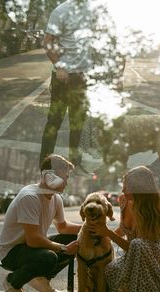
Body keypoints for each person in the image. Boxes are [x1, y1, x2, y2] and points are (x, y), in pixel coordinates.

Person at [88, 166, 160, 292]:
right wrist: (102, 236)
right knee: (111, 269)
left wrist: (108, 233)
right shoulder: (124, 201)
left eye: (126, 187)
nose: (122, 189)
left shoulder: (149, 213)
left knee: (138, 245)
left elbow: (136, 248)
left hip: (154, 257)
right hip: (134, 255)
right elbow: (122, 229)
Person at [0, 154, 81, 292]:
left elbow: (63, 227)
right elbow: (33, 240)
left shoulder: (56, 199)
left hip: (30, 248)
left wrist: (88, 228)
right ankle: (12, 281)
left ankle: (41, 279)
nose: (66, 182)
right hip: (11, 251)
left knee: (75, 237)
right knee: (48, 258)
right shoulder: (30, 197)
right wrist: (64, 249)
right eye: (64, 177)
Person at [39, 0, 93, 169]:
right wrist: (59, 67)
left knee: (77, 121)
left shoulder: (92, 11)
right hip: (64, 77)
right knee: (54, 121)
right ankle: (45, 163)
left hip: (82, 77)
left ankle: (74, 163)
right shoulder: (60, 11)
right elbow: (47, 42)